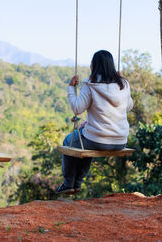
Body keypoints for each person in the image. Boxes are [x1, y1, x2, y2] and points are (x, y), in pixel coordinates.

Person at [56, 50, 133, 194]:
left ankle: (69, 184)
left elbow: (77, 109)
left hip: (97, 139)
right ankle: (76, 183)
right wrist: (124, 86)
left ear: (94, 65)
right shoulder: (123, 84)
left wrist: (71, 88)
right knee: (85, 139)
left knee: (69, 141)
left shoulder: (90, 84)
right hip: (120, 141)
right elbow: (128, 106)